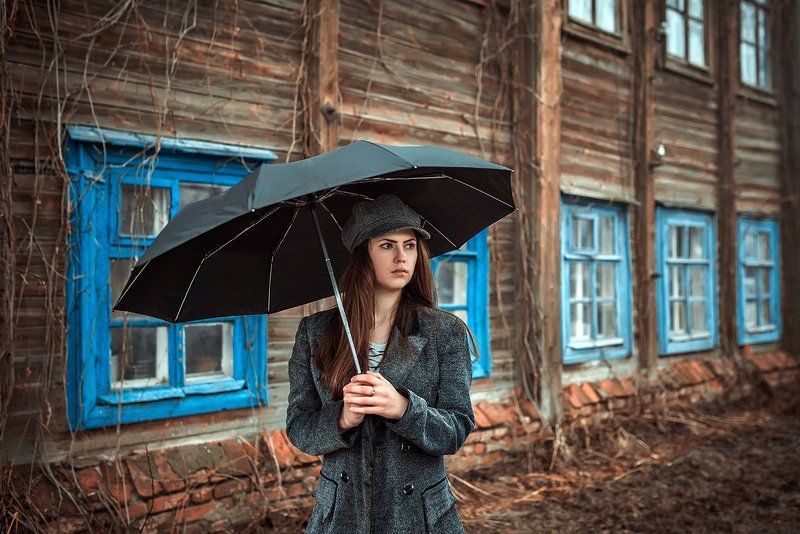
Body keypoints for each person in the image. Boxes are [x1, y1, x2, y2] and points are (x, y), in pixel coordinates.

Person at [285, 194, 478, 534]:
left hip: (420, 516)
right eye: (387, 245)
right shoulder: (316, 333)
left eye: (410, 245)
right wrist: (342, 418)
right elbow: (299, 427)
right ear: (363, 254)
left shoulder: (445, 332)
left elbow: (457, 428)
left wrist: (404, 409)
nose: (402, 257)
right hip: (341, 514)